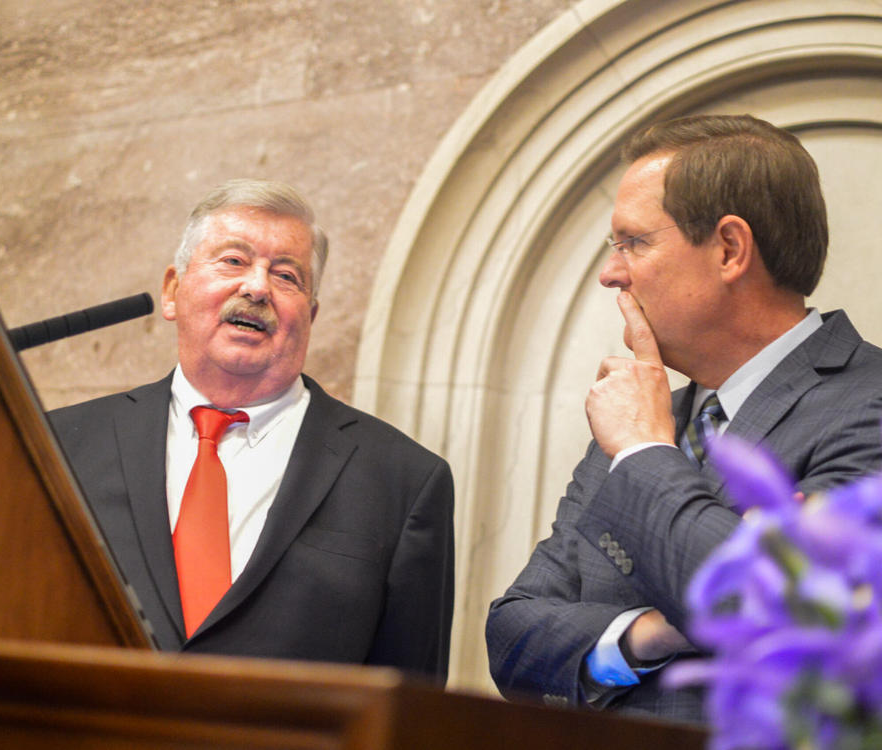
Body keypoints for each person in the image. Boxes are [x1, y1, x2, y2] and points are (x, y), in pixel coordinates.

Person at [485, 114, 882, 722]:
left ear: (729, 249)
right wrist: (651, 633)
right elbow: (512, 636)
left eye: (633, 242)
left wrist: (645, 454)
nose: (610, 272)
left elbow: (770, 607)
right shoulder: (643, 421)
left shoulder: (868, 401)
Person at [50, 179, 454, 682]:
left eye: (287, 276)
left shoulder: (404, 480)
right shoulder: (61, 445)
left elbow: (407, 708)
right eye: (233, 261)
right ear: (173, 290)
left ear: (312, 315)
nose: (257, 287)